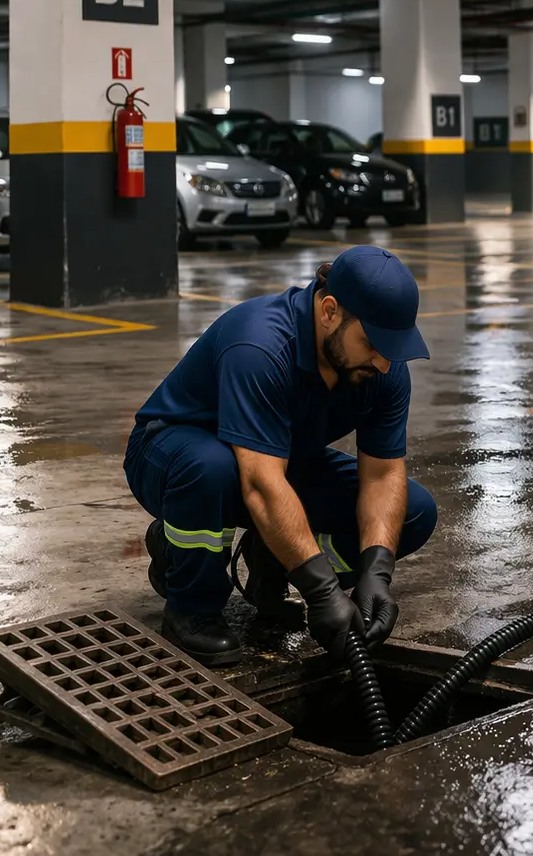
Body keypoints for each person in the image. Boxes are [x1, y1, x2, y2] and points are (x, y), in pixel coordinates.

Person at [123, 245, 438, 665]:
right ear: (329, 311)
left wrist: (376, 574)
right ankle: (190, 604)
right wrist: (321, 590)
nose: (383, 363)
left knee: (414, 511)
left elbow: (382, 477)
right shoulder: (261, 346)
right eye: (372, 343)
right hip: (174, 454)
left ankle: (270, 556)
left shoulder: (382, 367)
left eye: (392, 347)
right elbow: (260, 483)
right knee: (211, 469)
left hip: (277, 463)